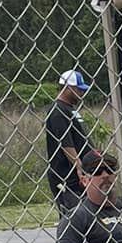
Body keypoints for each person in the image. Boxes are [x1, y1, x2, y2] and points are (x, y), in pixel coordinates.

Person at [45, 69, 97, 212]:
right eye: (78, 90)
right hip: (67, 174)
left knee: (89, 212)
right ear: (68, 88)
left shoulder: (70, 109)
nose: (82, 93)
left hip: (82, 171)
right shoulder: (58, 111)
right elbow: (65, 142)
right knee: (74, 213)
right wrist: (79, 167)